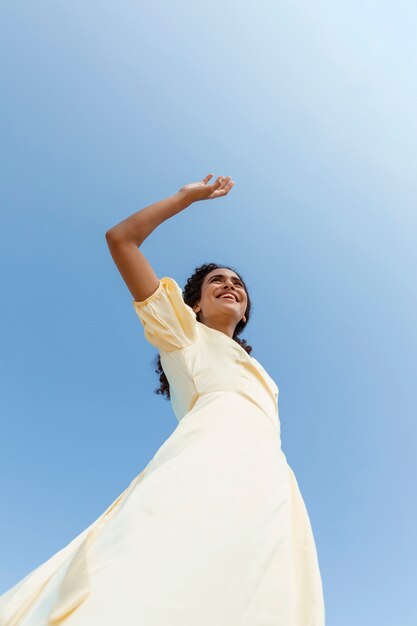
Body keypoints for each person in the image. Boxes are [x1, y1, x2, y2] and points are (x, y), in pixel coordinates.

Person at [0, 173, 325, 625]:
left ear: (246, 310)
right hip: (208, 459)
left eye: (237, 283)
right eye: (216, 281)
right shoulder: (183, 333)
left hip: (269, 475)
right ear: (192, 304)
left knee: (254, 592)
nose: (230, 285)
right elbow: (121, 241)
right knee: (159, 565)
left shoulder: (263, 376)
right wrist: (184, 198)